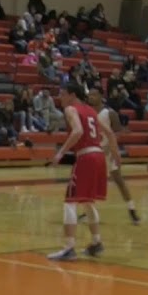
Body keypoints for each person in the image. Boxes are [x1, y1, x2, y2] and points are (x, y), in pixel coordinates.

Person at [48, 82, 114, 260]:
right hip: (99, 155)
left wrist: (60, 153)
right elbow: (109, 132)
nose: (60, 98)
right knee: (88, 201)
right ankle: (96, 243)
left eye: (63, 94)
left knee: (70, 201)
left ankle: (69, 248)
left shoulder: (71, 109)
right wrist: (115, 154)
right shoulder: (91, 111)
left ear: (72, 95)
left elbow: (77, 131)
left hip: (86, 156)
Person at [88, 89, 141, 223]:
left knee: (119, 181)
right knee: (90, 183)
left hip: (108, 152)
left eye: (94, 95)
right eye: (89, 95)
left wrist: (110, 146)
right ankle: (88, 211)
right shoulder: (88, 112)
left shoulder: (110, 113)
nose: (91, 97)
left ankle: (132, 209)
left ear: (101, 96)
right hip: (93, 152)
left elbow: (119, 132)